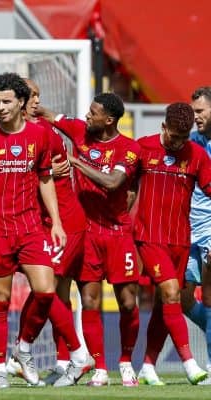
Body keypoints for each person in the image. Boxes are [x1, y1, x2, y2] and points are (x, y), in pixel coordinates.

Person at [0, 72, 90, 389]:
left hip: (31, 227)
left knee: (46, 290)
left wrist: (57, 222)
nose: (0, 107)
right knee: (0, 296)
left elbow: (45, 179)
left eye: (6, 101)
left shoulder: (41, 136)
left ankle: (22, 350)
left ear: (21, 102)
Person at [38, 92, 141, 386]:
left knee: (128, 302)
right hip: (87, 233)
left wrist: (75, 161)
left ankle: (125, 362)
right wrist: (11, 108)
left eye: (93, 113)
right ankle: (100, 367)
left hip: (118, 233)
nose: (86, 116)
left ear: (108, 120)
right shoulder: (79, 130)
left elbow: (113, 183)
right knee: (90, 301)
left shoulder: (128, 149)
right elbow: (47, 115)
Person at [133, 102, 210, 385]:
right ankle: (190, 364)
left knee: (163, 304)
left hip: (180, 240)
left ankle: (149, 366)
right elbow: (124, 184)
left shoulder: (198, 155)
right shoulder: (142, 148)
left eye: (183, 137)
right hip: (149, 236)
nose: (177, 142)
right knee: (171, 293)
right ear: (163, 127)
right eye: (173, 136)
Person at [182, 87, 211, 382]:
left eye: (201, 111)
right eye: (193, 112)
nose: (195, 117)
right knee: (182, 298)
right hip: (187, 230)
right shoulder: (190, 143)